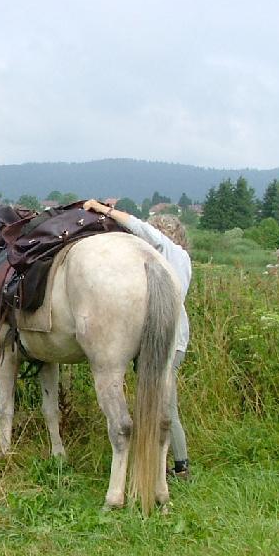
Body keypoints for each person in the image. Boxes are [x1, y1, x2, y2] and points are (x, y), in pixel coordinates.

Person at [82, 199, 192, 480]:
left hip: (168, 335)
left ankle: (179, 466)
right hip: (176, 335)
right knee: (161, 398)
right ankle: (162, 463)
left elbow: (137, 226)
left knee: (167, 404)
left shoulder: (166, 250)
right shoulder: (183, 259)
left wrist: (102, 209)